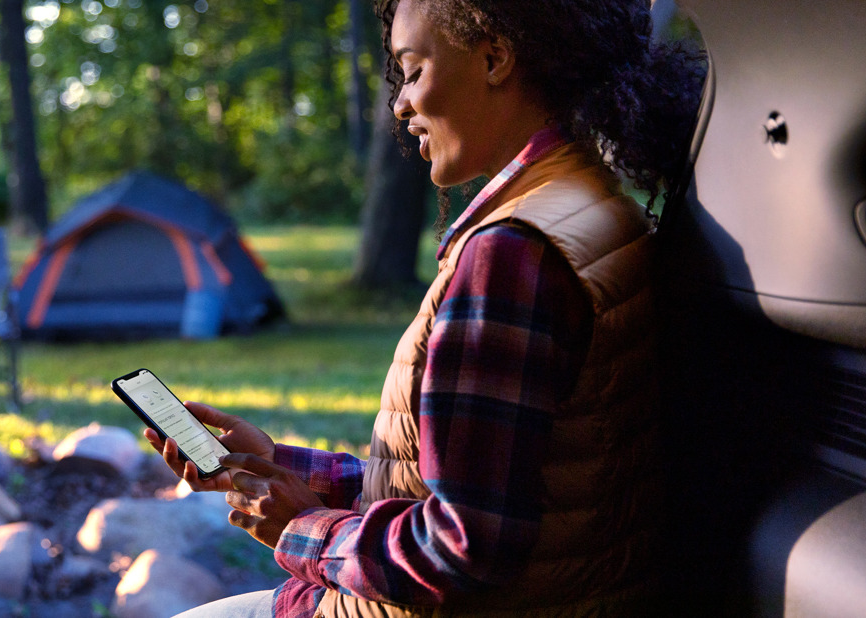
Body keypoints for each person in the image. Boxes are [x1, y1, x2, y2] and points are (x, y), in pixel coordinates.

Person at [151, 1, 705, 616]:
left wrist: (304, 528)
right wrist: (284, 467)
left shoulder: (512, 256)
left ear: (495, 57)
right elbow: (480, 479)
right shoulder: (591, 204)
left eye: (413, 71)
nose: (400, 104)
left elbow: (461, 550)